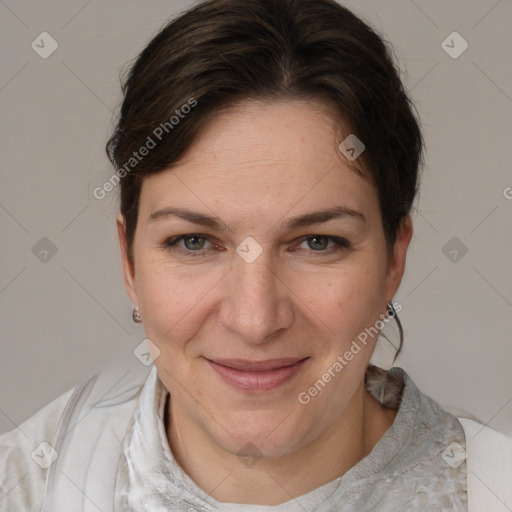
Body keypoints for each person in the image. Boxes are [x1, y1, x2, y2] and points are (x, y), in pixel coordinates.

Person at [1, 0, 511, 510]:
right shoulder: (24, 488)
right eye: (194, 242)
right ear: (130, 263)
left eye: (317, 242)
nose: (254, 320)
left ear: (393, 260)